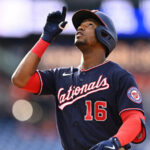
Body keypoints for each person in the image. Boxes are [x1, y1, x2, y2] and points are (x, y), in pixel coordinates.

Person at [11, 6, 146, 150]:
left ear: (105, 35)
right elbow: (20, 79)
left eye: (89, 25)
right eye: (79, 25)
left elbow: (135, 118)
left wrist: (115, 142)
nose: (80, 28)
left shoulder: (118, 75)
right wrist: (45, 37)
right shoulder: (60, 76)